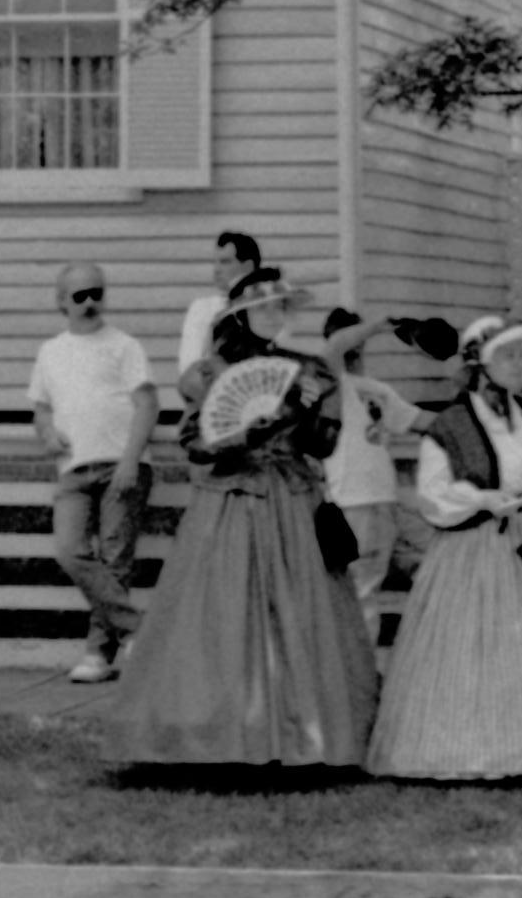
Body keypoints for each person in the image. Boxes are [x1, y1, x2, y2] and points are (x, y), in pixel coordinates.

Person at [107, 265, 378, 770]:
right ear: (243, 315)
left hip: (293, 499)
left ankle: (303, 737)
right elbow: (195, 444)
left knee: (298, 612)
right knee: (223, 612)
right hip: (231, 501)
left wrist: (321, 412)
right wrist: (251, 430)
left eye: (283, 308)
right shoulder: (211, 374)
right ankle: (223, 735)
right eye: (268, 308)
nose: (278, 317)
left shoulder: (308, 368)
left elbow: (320, 445)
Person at [370, 314, 522, 784]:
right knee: (471, 647)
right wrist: (482, 499)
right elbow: (433, 493)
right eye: (508, 355)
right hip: (473, 551)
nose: (520, 364)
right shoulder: (451, 425)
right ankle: (468, 750)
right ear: (480, 363)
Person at [29, 260, 156, 683]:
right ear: (61, 301)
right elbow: (41, 407)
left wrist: (130, 460)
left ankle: (98, 656)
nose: (90, 303)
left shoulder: (123, 345)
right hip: (74, 467)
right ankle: (138, 628)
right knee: (70, 551)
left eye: (97, 293)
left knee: (116, 559)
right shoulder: (51, 351)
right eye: (80, 296)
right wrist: (46, 431)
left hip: (121, 463)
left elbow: (147, 404)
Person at [317, 306, 432, 630]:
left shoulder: (378, 391)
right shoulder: (330, 383)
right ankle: (356, 672)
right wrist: (378, 325)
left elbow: (420, 421)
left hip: (384, 500)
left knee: (371, 587)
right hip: (350, 499)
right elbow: (334, 348)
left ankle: (364, 670)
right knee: (356, 591)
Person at [176, 229, 262, 390]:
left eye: (225, 262)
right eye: (215, 262)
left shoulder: (268, 308)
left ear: (248, 266)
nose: (216, 269)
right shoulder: (204, 309)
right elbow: (189, 366)